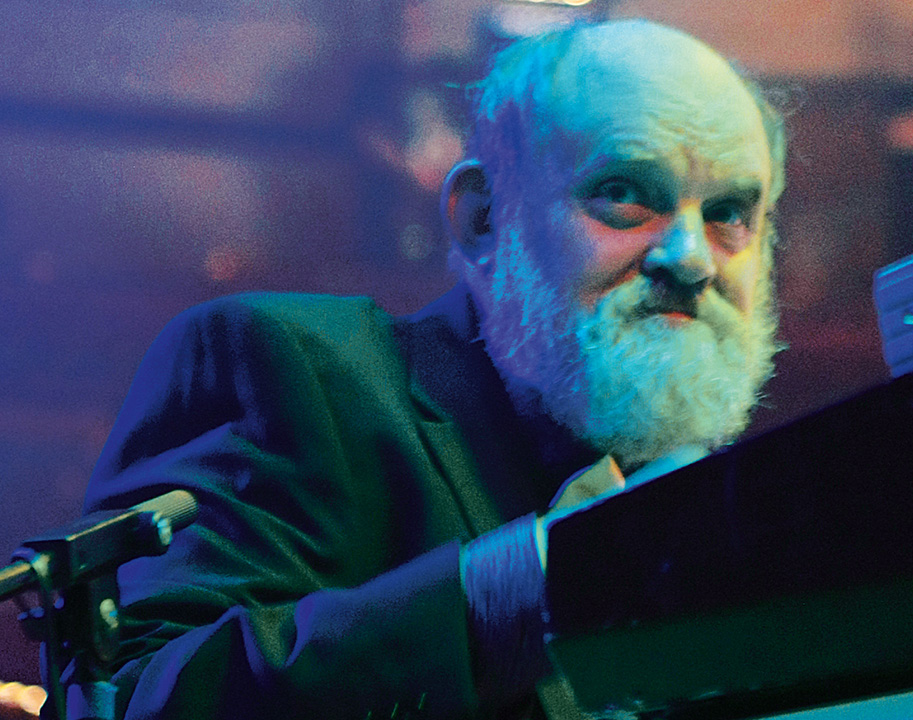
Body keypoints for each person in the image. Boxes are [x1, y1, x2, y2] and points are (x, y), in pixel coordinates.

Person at [80, 19, 787, 720]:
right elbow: (134, 699)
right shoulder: (285, 365)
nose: (692, 259)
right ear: (483, 218)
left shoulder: (743, 510)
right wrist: (536, 584)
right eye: (626, 192)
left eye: (729, 212)